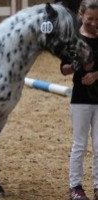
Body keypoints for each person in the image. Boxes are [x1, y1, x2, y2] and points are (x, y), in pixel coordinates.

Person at [60, 0, 98, 199]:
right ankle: (75, 186)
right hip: (81, 99)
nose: (94, 23)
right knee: (80, 145)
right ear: (81, 15)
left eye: (97, 19)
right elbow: (64, 68)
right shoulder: (73, 40)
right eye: (90, 19)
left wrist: (95, 75)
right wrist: (76, 64)